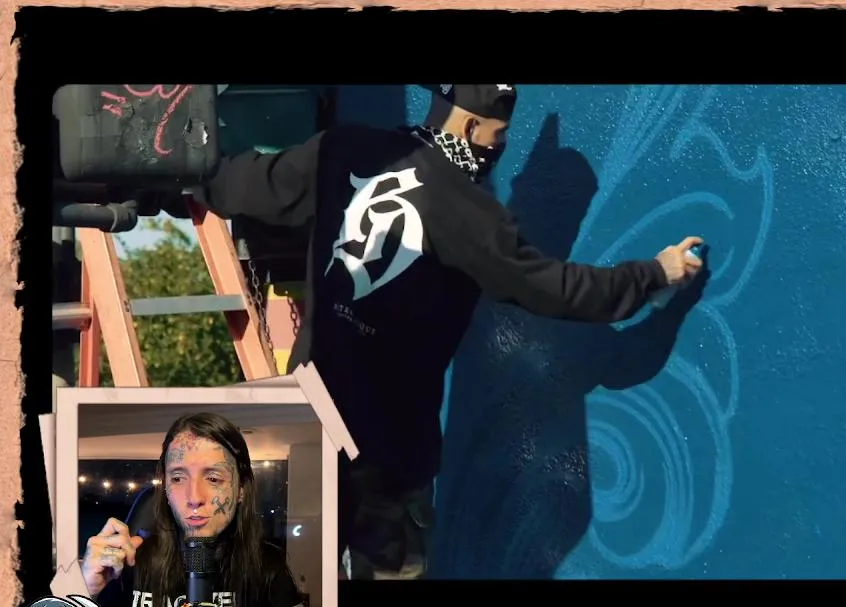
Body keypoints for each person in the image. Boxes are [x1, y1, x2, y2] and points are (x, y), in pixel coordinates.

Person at [192, 84, 704, 580]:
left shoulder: (343, 150)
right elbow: (555, 288)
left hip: (309, 426)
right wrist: (654, 275)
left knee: (292, 596)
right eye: (499, 134)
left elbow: (238, 184)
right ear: (472, 126)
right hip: (387, 462)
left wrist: (171, 168)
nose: (500, 147)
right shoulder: (464, 208)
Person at [81, 412, 322, 607]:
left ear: (241, 489)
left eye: (213, 478)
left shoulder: (264, 564)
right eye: (178, 478)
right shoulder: (130, 562)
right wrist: (84, 589)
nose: (194, 498)